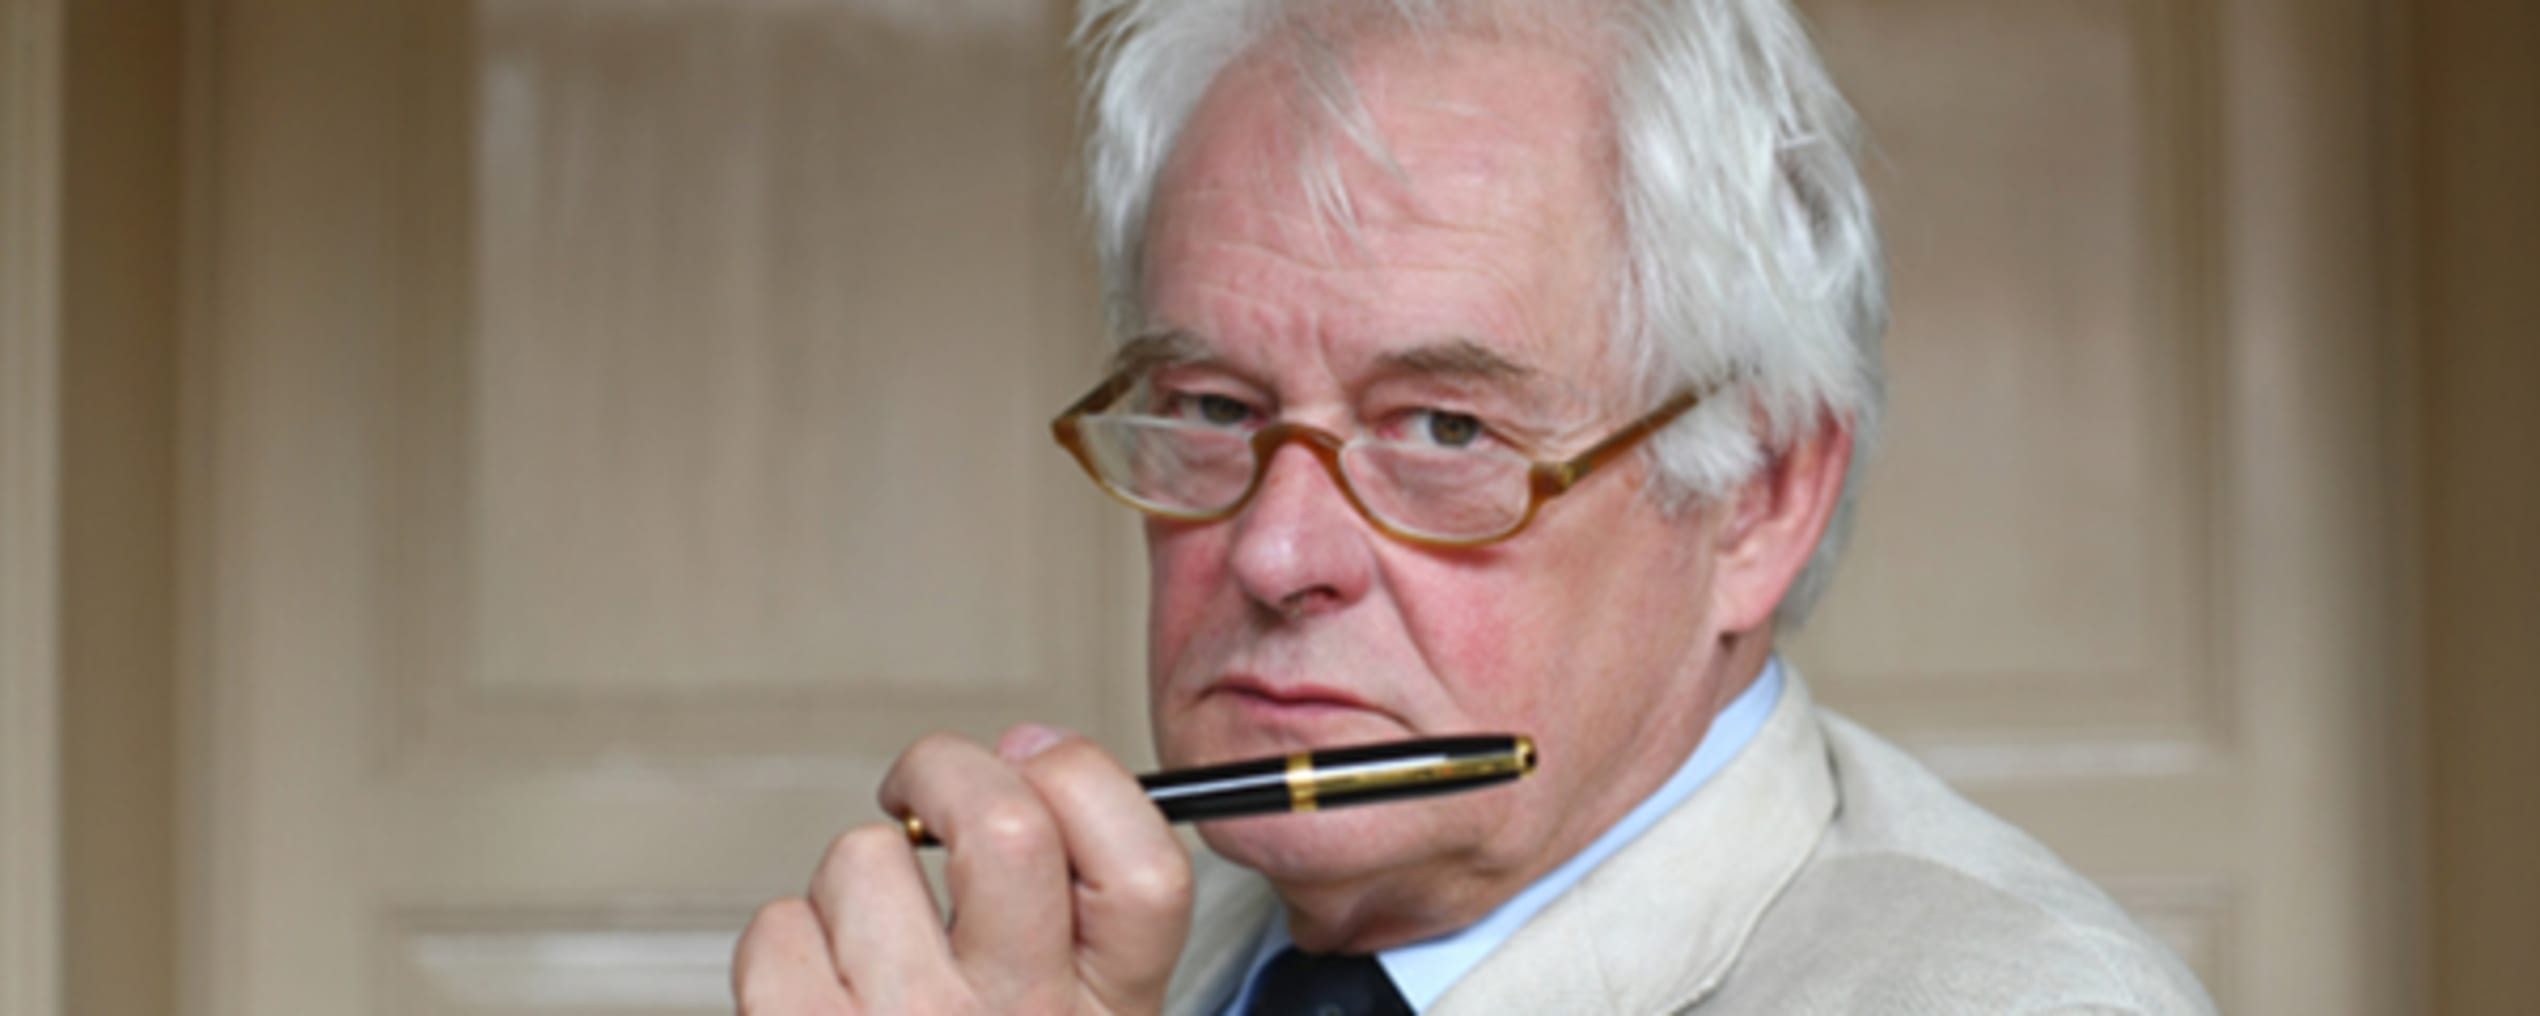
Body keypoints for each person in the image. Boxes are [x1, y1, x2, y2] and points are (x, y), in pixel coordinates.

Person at [734, 0, 2216, 1012]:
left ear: (1758, 498)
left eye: (1445, 429)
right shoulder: (1095, 966)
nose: (1274, 552)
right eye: (1213, 408)